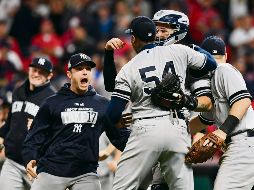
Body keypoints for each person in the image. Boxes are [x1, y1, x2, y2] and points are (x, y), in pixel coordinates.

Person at [103, 10, 213, 190]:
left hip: (147, 130)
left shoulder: (130, 67)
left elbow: (112, 112)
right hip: (178, 131)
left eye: (165, 29)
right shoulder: (181, 52)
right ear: (153, 34)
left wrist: (122, 140)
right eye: (158, 29)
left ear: (132, 39)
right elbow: (210, 64)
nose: (161, 33)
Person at [22, 53, 130, 190]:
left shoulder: (102, 105)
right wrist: (30, 158)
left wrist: (138, 142)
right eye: (79, 69)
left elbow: (118, 138)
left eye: (88, 69)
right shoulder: (52, 103)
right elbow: (35, 136)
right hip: (52, 170)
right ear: (69, 74)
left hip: (85, 173)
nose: (84, 72)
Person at [189, 36, 254, 190]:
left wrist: (222, 132)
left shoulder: (223, 69)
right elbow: (204, 120)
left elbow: (243, 101)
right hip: (243, 143)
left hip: (244, 143)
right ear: (225, 55)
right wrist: (177, 132)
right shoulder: (213, 78)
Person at [0, 57, 55, 190]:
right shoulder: (18, 91)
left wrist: (40, 129)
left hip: (38, 167)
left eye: (42, 72)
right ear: (29, 69)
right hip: (12, 162)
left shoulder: (53, 99)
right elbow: (10, 122)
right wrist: (2, 137)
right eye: (34, 69)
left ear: (50, 75)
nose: (36, 74)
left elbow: (56, 135)